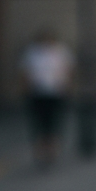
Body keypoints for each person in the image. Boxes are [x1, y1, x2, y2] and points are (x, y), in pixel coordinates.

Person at [20, 28, 74, 168]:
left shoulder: (61, 51)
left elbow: (68, 70)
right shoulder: (32, 53)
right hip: (37, 93)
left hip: (55, 93)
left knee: (54, 122)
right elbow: (26, 72)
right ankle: (41, 150)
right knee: (39, 122)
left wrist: (66, 87)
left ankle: (51, 150)